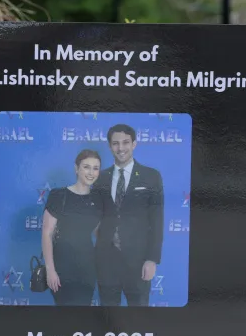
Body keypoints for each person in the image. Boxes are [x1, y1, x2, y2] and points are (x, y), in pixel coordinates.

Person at [93, 123, 164, 306]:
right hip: (106, 261)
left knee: (139, 315)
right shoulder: (100, 178)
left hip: (138, 261)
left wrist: (152, 259)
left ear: (134, 144)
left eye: (125, 142)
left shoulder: (151, 176)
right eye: (115, 143)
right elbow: (95, 216)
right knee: (108, 315)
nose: (121, 148)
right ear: (110, 146)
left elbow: (157, 220)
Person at [41, 149, 103, 306]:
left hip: (88, 269)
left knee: (82, 312)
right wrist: (50, 270)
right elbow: (47, 234)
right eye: (86, 167)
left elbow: (99, 233)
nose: (91, 172)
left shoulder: (98, 199)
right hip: (62, 267)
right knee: (65, 313)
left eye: (95, 168)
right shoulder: (58, 195)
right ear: (77, 168)